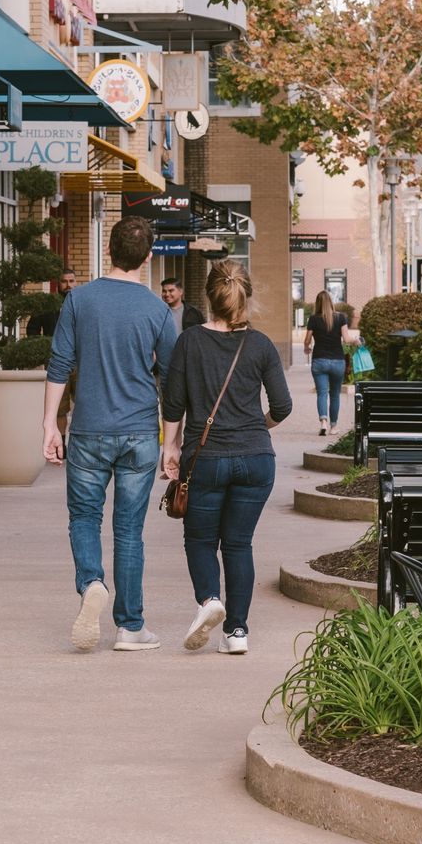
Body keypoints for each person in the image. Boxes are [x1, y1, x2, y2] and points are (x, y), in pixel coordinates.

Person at [45, 219, 177, 653]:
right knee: (129, 531)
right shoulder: (158, 310)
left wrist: (51, 424)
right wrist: (171, 441)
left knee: (84, 518)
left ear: (109, 249)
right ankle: (130, 626)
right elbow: (172, 380)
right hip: (140, 431)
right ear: (148, 256)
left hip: (88, 430)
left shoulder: (79, 300)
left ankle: (91, 582)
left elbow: (59, 365)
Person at [162, 262, 292, 655]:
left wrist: (170, 447)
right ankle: (237, 633)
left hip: (207, 459)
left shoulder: (189, 341)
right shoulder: (261, 345)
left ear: (209, 299)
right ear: (244, 298)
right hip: (256, 460)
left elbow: (173, 403)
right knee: (239, 544)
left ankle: (209, 600)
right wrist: (256, 427)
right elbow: (282, 407)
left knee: (200, 538)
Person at [303, 291, 352, 435]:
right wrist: (356, 341)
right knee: (335, 395)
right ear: (331, 301)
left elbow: (307, 340)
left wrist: (307, 348)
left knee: (322, 393)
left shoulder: (313, 319)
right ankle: (334, 426)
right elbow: (347, 339)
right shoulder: (341, 318)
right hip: (338, 361)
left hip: (319, 361)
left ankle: (323, 422)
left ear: (318, 303)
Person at [26, 268, 78, 338]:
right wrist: (43, 345)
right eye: (64, 281)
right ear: (58, 283)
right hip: (52, 347)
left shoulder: (84, 304)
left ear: (76, 283)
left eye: (71, 281)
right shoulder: (46, 304)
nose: (68, 285)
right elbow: (32, 329)